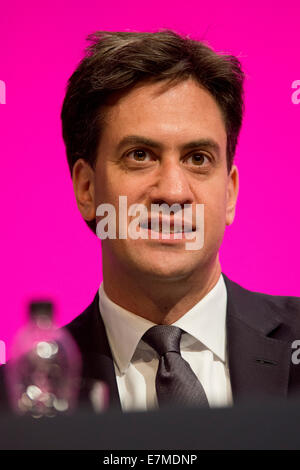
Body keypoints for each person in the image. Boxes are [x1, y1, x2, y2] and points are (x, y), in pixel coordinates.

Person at [1, 30, 300, 412]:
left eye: (198, 159)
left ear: (230, 193)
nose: (173, 193)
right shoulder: (16, 403)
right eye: (140, 155)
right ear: (87, 188)